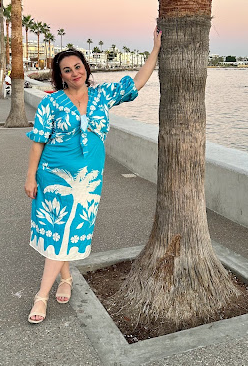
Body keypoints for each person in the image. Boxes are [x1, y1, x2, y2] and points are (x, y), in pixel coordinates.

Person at [25, 27, 161, 323]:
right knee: (59, 231)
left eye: (78, 67)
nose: (74, 73)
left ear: (86, 68)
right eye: (67, 70)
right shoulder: (50, 103)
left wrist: (154, 50)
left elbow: (137, 81)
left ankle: (66, 278)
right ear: (60, 75)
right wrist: (31, 176)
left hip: (87, 181)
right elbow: (38, 140)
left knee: (68, 231)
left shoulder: (103, 95)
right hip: (53, 174)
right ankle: (42, 296)